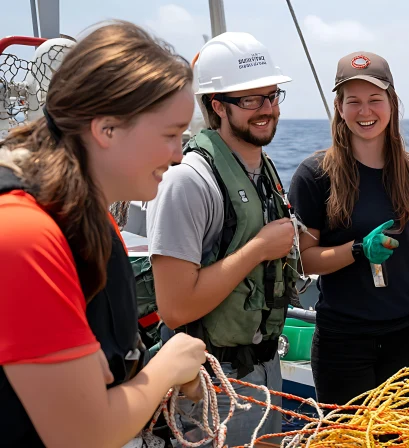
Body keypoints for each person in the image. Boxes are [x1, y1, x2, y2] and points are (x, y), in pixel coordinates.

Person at [0, 21, 207, 447]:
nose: (179, 153)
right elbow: (81, 434)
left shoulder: (81, 214)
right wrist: (167, 366)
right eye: (170, 135)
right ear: (107, 129)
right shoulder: (24, 233)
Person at [289, 51, 409, 405]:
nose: (365, 111)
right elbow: (304, 260)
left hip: (406, 335)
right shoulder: (314, 175)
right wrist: (358, 250)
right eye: (353, 101)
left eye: (375, 100)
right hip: (341, 340)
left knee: (401, 438)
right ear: (339, 108)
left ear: (392, 103)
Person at [145, 32, 296, 446]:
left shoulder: (263, 170)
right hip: (209, 384)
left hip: (264, 371)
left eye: (272, 96)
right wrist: (260, 249)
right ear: (217, 105)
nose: (267, 110)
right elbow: (175, 309)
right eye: (250, 100)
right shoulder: (187, 181)